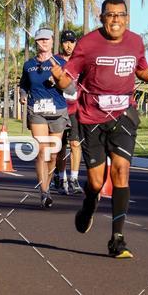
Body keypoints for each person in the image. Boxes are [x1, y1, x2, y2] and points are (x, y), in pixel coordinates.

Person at [51, 0, 148, 259]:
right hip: (92, 119)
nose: (116, 20)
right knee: (97, 182)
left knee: (122, 171)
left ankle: (117, 240)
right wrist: (59, 80)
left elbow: (143, 72)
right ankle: (89, 204)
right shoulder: (87, 44)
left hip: (123, 116)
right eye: (110, 15)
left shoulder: (135, 41)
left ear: (127, 18)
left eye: (120, 15)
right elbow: (69, 81)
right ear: (102, 18)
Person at [19, 27, 72, 209]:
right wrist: (22, 95)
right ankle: (44, 191)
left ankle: (47, 185)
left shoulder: (60, 62)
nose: (44, 42)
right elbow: (23, 85)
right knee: (43, 150)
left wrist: (58, 80)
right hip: (37, 110)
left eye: (47, 39)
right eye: (40, 39)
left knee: (53, 153)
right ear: (36, 42)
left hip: (57, 110)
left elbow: (69, 86)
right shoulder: (29, 65)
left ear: (52, 41)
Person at [58, 29, 83, 195]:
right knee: (60, 147)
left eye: (72, 42)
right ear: (61, 43)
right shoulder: (54, 60)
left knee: (75, 144)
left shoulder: (81, 61)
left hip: (75, 109)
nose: (69, 45)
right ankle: (61, 178)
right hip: (59, 109)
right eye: (66, 42)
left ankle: (74, 179)